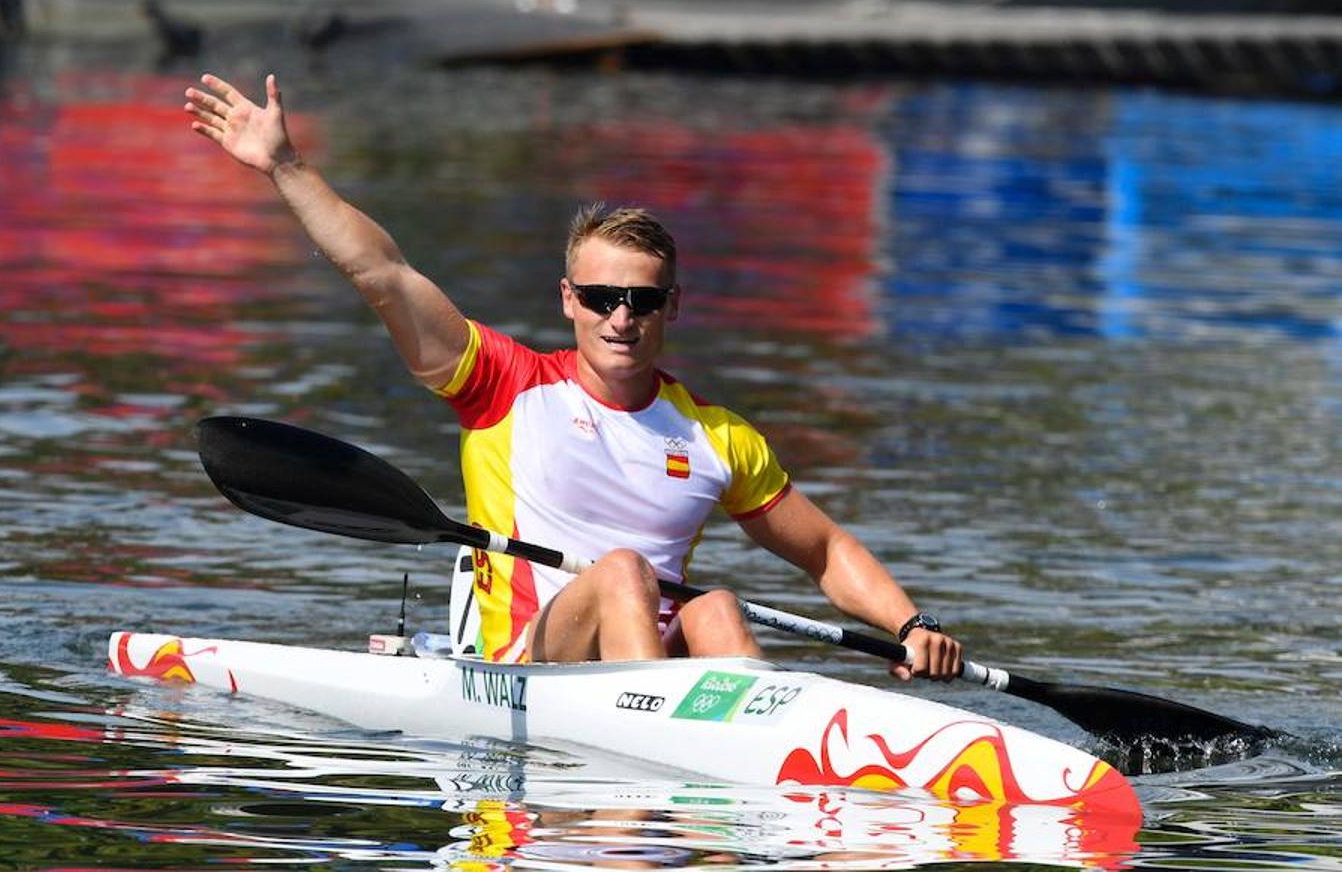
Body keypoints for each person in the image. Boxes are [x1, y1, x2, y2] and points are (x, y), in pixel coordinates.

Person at [183, 72, 963, 681]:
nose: (619, 318)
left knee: (717, 606)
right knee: (627, 573)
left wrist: (912, 625)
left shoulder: (716, 436)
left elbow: (824, 551)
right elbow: (383, 272)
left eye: (641, 299)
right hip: (525, 667)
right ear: (569, 300)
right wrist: (286, 166)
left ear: (671, 306)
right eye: (599, 298)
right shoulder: (502, 385)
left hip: (642, 665)